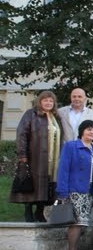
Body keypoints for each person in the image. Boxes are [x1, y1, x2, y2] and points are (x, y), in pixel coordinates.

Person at [11, 91, 65, 223]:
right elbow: (21, 134)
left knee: (47, 183)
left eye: (51, 101)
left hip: (53, 157)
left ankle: (40, 212)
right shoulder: (31, 114)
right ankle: (28, 211)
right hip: (35, 155)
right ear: (39, 102)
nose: (48, 103)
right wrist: (22, 154)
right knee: (32, 183)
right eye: (45, 100)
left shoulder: (55, 117)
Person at [55, 120, 93, 250]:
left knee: (81, 225)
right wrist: (62, 191)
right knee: (76, 224)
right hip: (74, 190)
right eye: (89, 129)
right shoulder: (71, 146)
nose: (91, 132)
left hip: (87, 192)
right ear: (82, 131)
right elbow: (63, 169)